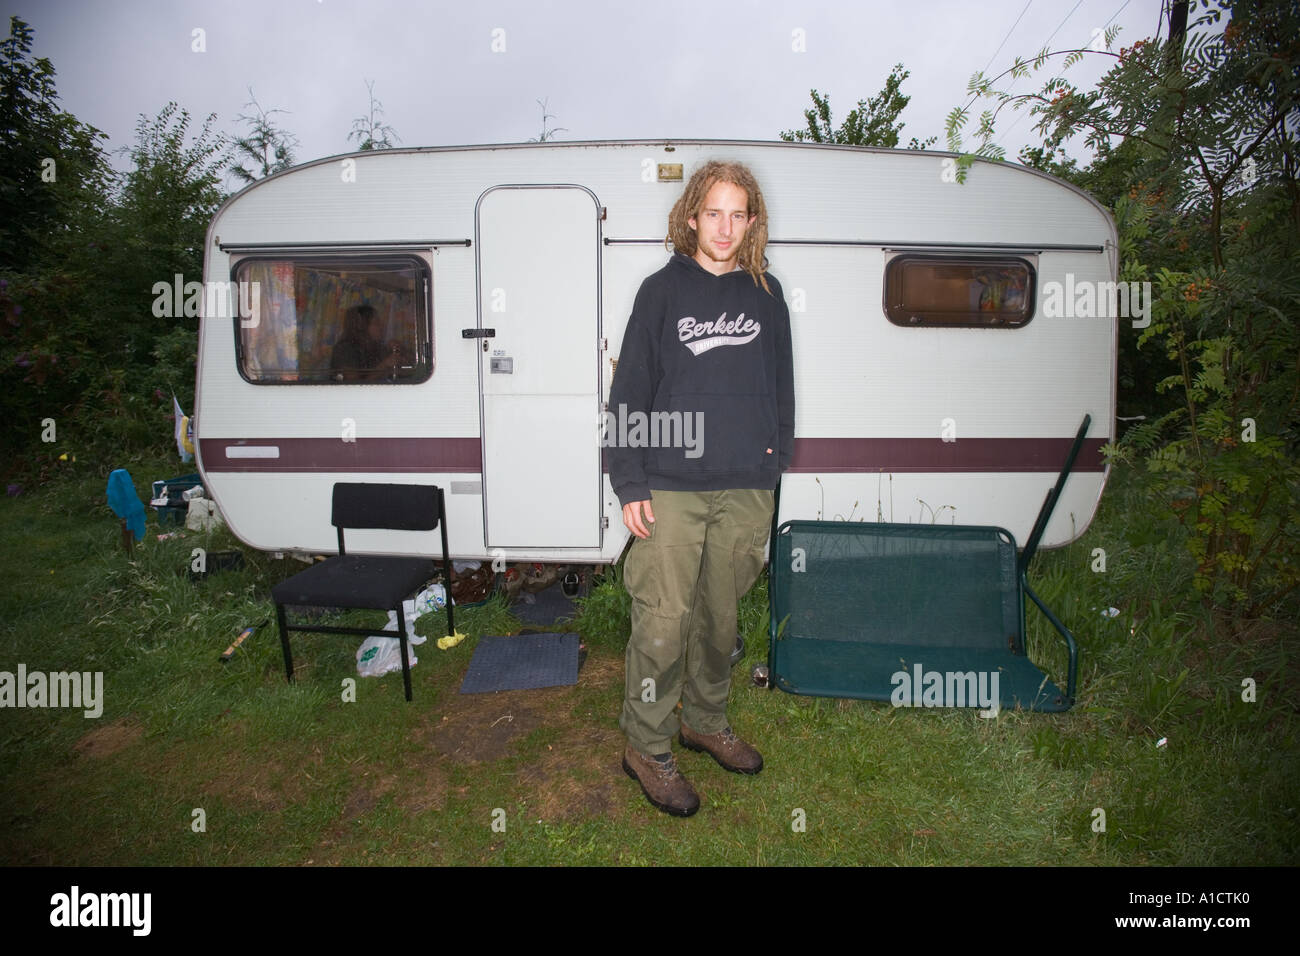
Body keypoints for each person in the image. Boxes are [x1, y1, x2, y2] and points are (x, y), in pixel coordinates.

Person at [608, 160, 794, 817]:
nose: (724, 225)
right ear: (691, 217)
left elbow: (781, 390)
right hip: (672, 486)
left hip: (745, 487)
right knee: (662, 622)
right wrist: (628, 478)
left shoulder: (766, 295)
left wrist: (775, 463)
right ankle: (646, 745)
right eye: (712, 211)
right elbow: (628, 390)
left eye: (737, 213)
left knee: (720, 623)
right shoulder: (661, 293)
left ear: (751, 221)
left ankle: (705, 721)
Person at [330, 304, 404, 381]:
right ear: (361, 326)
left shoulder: (375, 347)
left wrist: (399, 350)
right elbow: (354, 385)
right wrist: (384, 366)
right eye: (376, 323)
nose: (382, 326)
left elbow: (406, 371)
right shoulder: (344, 349)